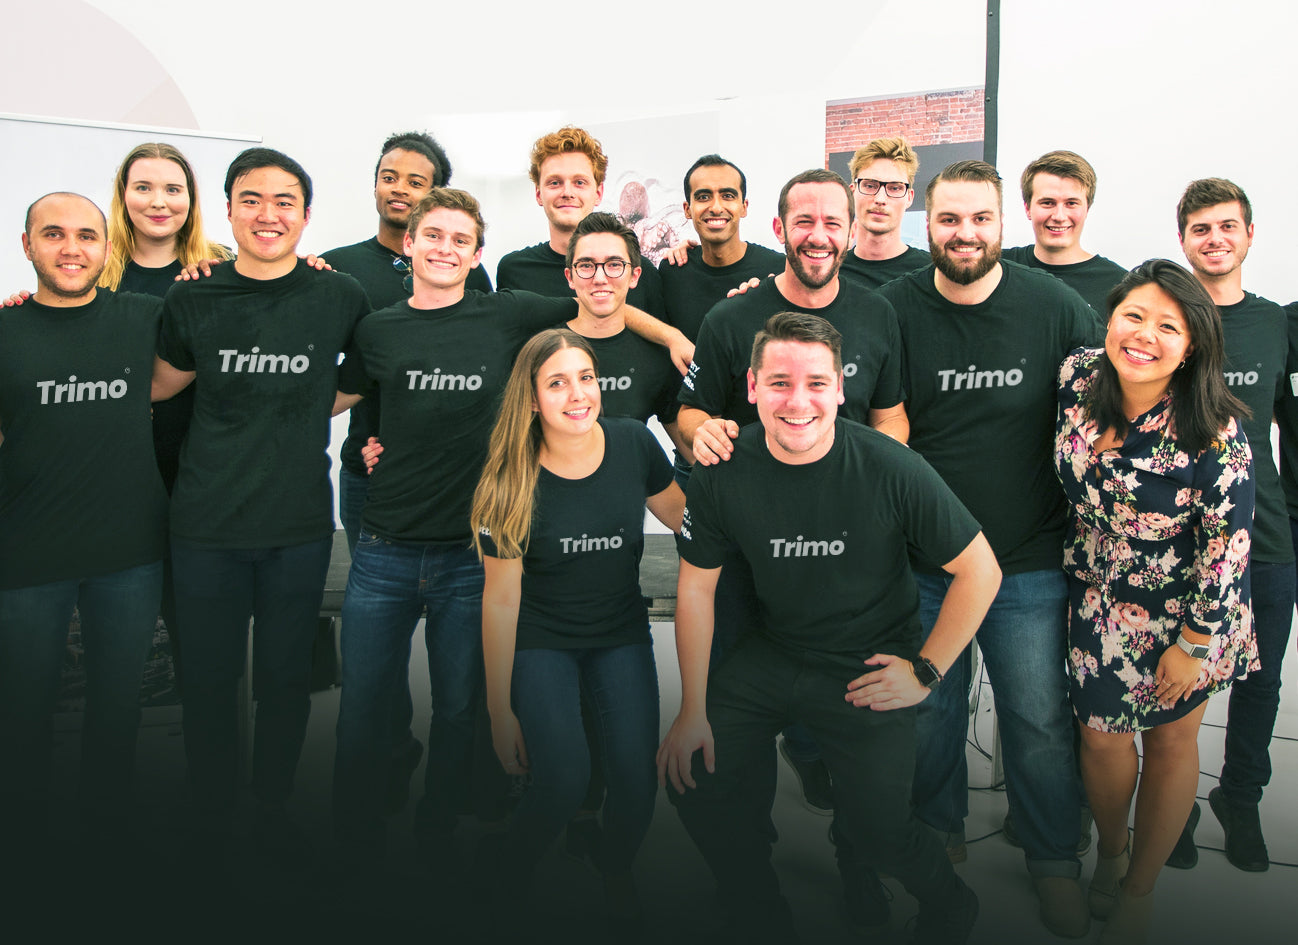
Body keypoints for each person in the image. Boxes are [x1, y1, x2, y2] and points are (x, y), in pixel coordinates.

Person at [331, 189, 687, 885]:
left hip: (473, 551)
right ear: (409, 244)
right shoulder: (377, 328)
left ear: (477, 253)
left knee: (458, 707)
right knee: (362, 707)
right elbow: (349, 402)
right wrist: (359, 448)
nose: (444, 248)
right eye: (433, 236)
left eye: (460, 239)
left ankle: (439, 832)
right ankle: (353, 842)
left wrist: (671, 336)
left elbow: (600, 302)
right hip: (386, 546)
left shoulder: (506, 314)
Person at [658, 311, 999, 945]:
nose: (798, 402)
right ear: (752, 388)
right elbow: (696, 588)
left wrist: (926, 671)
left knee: (881, 830)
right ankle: (755, 905)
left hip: (868, 662)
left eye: (816, 383)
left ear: (841, 389)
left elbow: (980, 570)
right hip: (775, 652)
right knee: (693, 773)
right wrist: (692, 710)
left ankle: (948, 902)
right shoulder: (724, 468)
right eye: (779, 383)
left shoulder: (890, 466)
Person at [875, 159, 1101, 938]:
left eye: (980, 218)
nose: (965, 233)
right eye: (949, 219)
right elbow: (881, 427)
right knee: (929, 712)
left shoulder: (1056, 306)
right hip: (926, 560)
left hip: (1026, 558)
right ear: (927, 223)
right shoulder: (893, 309)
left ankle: (1053, 858)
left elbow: (1102, 408)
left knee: (1037, 718)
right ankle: (937, 836)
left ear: (1004, 223)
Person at [679, 167, 907, 924]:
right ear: (777, 229)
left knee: (853, 737)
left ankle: (861, 867)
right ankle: (750, 883)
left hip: (848, 568)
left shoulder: (877, 313)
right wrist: (703, 430)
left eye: (832, 222)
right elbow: (690, 412)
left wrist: (885, 493)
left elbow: (890, 417)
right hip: (749, 570)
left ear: (851, 231)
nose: (818, 235)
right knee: (734, 744)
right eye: (803, 221)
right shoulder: (730, 318)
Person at [151, 147, 371, 873]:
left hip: (297, 524)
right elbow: (158, 384)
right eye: (251, 199)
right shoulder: (192, 296)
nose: (267, 214)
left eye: (284, 202)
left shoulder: (338, 296)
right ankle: (211, 815)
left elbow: (368, 373)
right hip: (204, 524)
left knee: (284, 683)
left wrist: (312, 405)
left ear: (305, 216)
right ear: (228, 210)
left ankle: (272, 809)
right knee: (207, 684)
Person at [1055, 258, 1257, 944]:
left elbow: (1227, 549)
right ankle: (1112, 852)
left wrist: (1194, 644)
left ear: (1192, 344)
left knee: (1170, 740)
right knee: (1100, 735)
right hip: (1099, 592)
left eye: (1168, 326)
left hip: (1190, 607)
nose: (1144, 335)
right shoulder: (1078, 376)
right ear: (1109, 319)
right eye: (1134, 316)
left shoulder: (1215, 430)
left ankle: (1140, 888)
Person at [475, 329, 684, 924]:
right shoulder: (508, 479)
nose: (577, 394)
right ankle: (508, 875)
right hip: (542, 639)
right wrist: (499, 712)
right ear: (531, 398)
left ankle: (615, 870)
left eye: (585, 378)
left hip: (618, 632)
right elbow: (500, 602)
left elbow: (685, 520)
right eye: (557, 383)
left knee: (637, 783)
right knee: (564, 779)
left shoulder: (633, 443)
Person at [324, 131, 493, 817]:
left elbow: (586, 317)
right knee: (368, 691)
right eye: (388, 175)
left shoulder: (489, 301)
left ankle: (444, 819)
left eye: (415, 178)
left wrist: (672, 335)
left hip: (463, 519)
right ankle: (371, 799)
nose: (399, 187)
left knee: (460, 695)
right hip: (379, 499)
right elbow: (331, 384)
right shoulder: (337, 274)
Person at [0, 193, 166, 886]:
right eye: (54, 234)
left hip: (128, 555)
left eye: (87, 236)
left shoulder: (145, 317)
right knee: (22, 715)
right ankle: (24, 853)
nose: (71, 248)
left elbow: (231, 311)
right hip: (27, 558)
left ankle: (105, 843)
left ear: (107, 247)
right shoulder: (4, 330)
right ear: (27, 245)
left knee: (117, 710)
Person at [1172, 178, 1291, 873]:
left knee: (1261, 681)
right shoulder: (1168, 320)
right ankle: (1176, 806)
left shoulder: (1277, 322)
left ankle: (1239, 798)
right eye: (1201, 229)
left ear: (1249, 234)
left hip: (1265, 534)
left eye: (1227, 226)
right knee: (1181, 681)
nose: (1215, 239)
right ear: (1183, 240)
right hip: (1182, 538)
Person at [495, 125, 665, 317]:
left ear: (598, 193)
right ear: (538, 194)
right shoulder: (514, 270)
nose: (567, 192)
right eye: (555, 183)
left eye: (579, 183)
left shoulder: (639, 271)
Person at [1002, 150, 1127, 313]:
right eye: (1048, 203)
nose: (1059, 216)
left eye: (1071, 203)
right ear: (1027, 208)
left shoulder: (1119, 285)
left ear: (1087, 208)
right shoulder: (997, 268)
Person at [837, 135, 931, 291]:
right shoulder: (831, 272)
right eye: (869, 186)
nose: (880, 199)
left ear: (909, 197)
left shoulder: (931, 272)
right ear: (852, 192)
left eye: (894, 188)